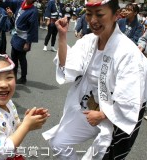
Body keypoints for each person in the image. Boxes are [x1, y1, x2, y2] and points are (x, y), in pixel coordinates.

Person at [42, 0, 147, 159]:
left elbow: (131, 97)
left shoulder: (128, 52)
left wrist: (103, 115)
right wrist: (62, 36)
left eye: (99, 14)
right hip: (89, 107)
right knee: (58, 142)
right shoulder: (88, 41)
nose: (92, 20)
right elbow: (68, 66)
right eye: (89, 14)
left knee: (101, 155)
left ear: (116, 16)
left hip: (114, 117)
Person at [0, 52, 50, 160]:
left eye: (9, 77)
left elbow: (11, 128)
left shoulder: (7, 102)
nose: (4, 84)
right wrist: (26, 126)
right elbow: (2, 152)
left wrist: (27, 122)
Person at [10, 0, 39, 84]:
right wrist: (11, 15)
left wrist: (28, 42)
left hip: (23, 37)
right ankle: (13, 75)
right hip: (16, 34)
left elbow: (33, 28)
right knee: (13, 56)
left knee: (21, 58)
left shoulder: (33, 11)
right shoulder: (21, 3)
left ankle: (23, 77)